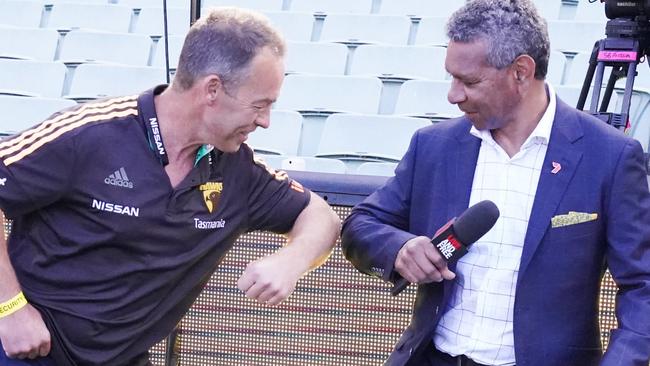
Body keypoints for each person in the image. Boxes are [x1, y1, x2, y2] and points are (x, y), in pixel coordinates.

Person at [0, 7, 340, 366]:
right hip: (23, 349)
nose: (265, 121)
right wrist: (9, 307)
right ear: (212, 89)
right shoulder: (89, 134)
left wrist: (292, 260)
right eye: (260, 105)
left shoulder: (237, 169)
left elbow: (322, 217)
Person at [341, 1, 650, 365]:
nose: (453, 95)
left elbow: (643, 286)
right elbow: (359, 226)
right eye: (451, 77)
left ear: (521, 71)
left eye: (469, 81)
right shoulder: (434, 146)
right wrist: (400, 249)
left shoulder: (610, 156)